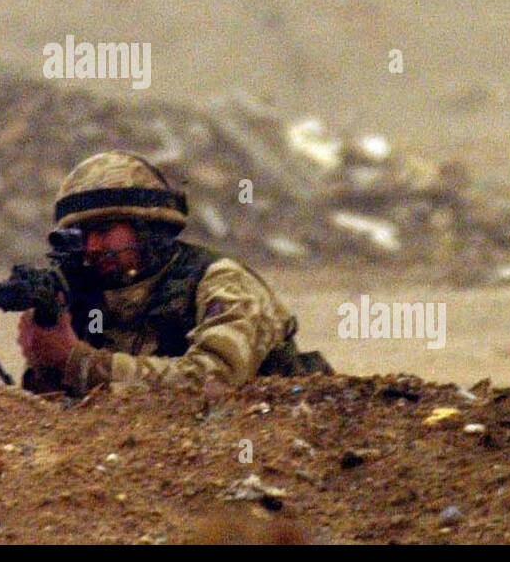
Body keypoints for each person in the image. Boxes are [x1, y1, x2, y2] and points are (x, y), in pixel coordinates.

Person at [17, 150, 331, 395]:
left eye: (104, 230)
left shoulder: (220, 282)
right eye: (82, 236)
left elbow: (215, 383)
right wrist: (46, 360)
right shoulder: (91, 294)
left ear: (146, 226)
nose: (92, 247)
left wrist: (78, 362)